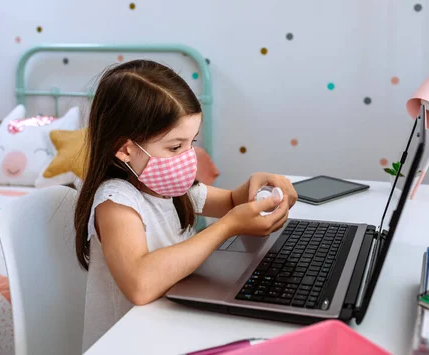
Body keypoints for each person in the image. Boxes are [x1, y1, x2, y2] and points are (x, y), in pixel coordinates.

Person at [74, 60, 297, 350]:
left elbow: (230, 201)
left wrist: (259, 187)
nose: (188, 156)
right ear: (126, 149)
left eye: (191, 142)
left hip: (170, 328)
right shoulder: (116, 201)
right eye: (175, 147)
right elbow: (139, 285)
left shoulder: (170, 190)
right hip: (128, 343)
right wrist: (227, 227)